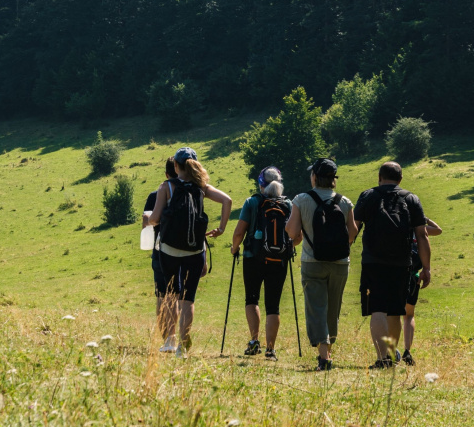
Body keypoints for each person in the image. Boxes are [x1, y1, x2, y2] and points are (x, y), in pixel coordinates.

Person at [145, 147, 232, 358]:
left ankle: (169, 341)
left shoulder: (167, 186)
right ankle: (183, 348)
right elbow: (227, 201)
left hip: (169, 251)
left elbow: (155, 218)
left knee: (172, 295)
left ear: (176, 166)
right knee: (188, 300)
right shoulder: (202, 187)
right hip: (194, 251)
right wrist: (221, 228)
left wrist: (152, 220)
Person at [353, 161, 430, 369]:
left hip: (373, 262)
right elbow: (422, 236)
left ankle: (383, 358)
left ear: (379, 177)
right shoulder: (411, 198)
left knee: (377, 308)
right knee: (395, 311)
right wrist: (426, 268)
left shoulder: (368, 196)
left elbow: (353, 227)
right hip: (402, 263)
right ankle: (391, 354)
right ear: (400, 179)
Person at [285, 158, 357, 371]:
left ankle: (324, 357)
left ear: (315, 176)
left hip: (312, 261)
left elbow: (291, 231)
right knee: (333, 308)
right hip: (340, 264)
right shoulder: (345, 202)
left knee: (316, 308)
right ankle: (328, 348)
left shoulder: (301, 199)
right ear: (333, 179)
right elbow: (352, 233)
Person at [230, 166, 294, 361]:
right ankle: (271, 349)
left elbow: (239, 232)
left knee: (252, 299)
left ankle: (254, 341)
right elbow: (295, 236)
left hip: (253, 257)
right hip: (279, 259)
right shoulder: (288, 204)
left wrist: (234, 248)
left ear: (260, 184)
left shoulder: (252, 202)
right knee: (273, 305)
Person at [143, 158, 178, 349]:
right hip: (185, 252)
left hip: (160, 251)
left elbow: (147, 224)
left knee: (162, 296)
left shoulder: (155, 195)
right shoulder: (191, 194)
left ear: (166, 174)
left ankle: (168, 338)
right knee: (178, 296)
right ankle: (178, 337)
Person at [400, 217, 442, 366]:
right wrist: (425, 219)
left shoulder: (397, 226)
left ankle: (389, 351)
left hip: (394, 273)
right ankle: (407, 351)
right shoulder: (420, 229)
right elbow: (438, 230)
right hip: (413, 276)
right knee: (409, 315)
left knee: (391, 313)